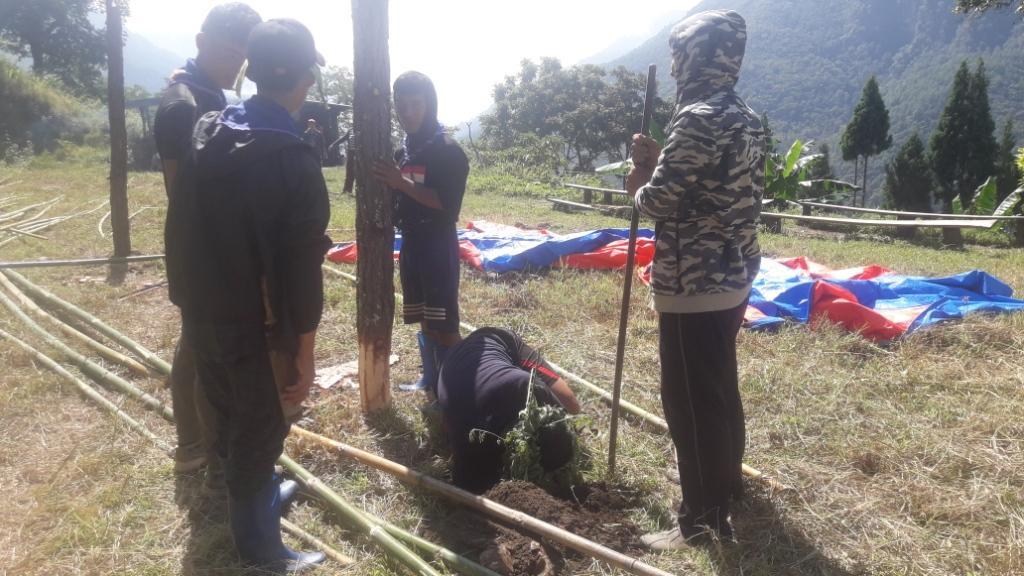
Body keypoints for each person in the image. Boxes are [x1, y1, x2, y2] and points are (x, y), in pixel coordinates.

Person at [165, 18, 331, 571]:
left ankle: (255, 499)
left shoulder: (206, 129)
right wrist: (304, 352)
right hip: (256, 328)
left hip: (201, 310)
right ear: (305, 78)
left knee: (227, 417)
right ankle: (261, 553)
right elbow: (302, 271)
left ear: (252, 72)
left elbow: (180, 221)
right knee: (260, 432)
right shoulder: (293, 161)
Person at [625, 10, 765, 548]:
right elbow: (710, 184)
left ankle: (704, 519)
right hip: (733, 273)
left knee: (688, 399)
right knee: (718, 388)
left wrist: (639, 181)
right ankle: (726, 483)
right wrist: (661, 162)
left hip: (693, 281)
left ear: (692, 56)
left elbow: (658, 200)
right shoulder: (742, 114)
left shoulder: (696, 116)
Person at [153, 2, 261, 480]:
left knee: (200, 338)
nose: (235, 66)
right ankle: (196, 442)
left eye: (243, 58)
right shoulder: (184, 103)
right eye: (229, 53)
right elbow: (181, 188)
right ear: (201, 41)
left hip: (216, 241)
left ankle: (205, 436)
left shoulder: (212, 94)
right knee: (199, 342)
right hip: (201, 244)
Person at [373, 72, 470, 394]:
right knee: (426, 318)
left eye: (416, 104)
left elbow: (446, 205)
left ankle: (457, 389)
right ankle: (431, 381)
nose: (408, 112)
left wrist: (400, 182)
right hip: (411, 243)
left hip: (437, 245)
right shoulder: (403, 152)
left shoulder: (448, 151)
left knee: (445, 322)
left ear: (430, 104)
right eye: (401, 104)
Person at [437, 327, 581, 493]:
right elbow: (567, 409)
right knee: (568, 406)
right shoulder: (520, 384)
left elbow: (444, 423)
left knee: (569, 405)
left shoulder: (516, 386)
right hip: (481, 360)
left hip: (462, 362)